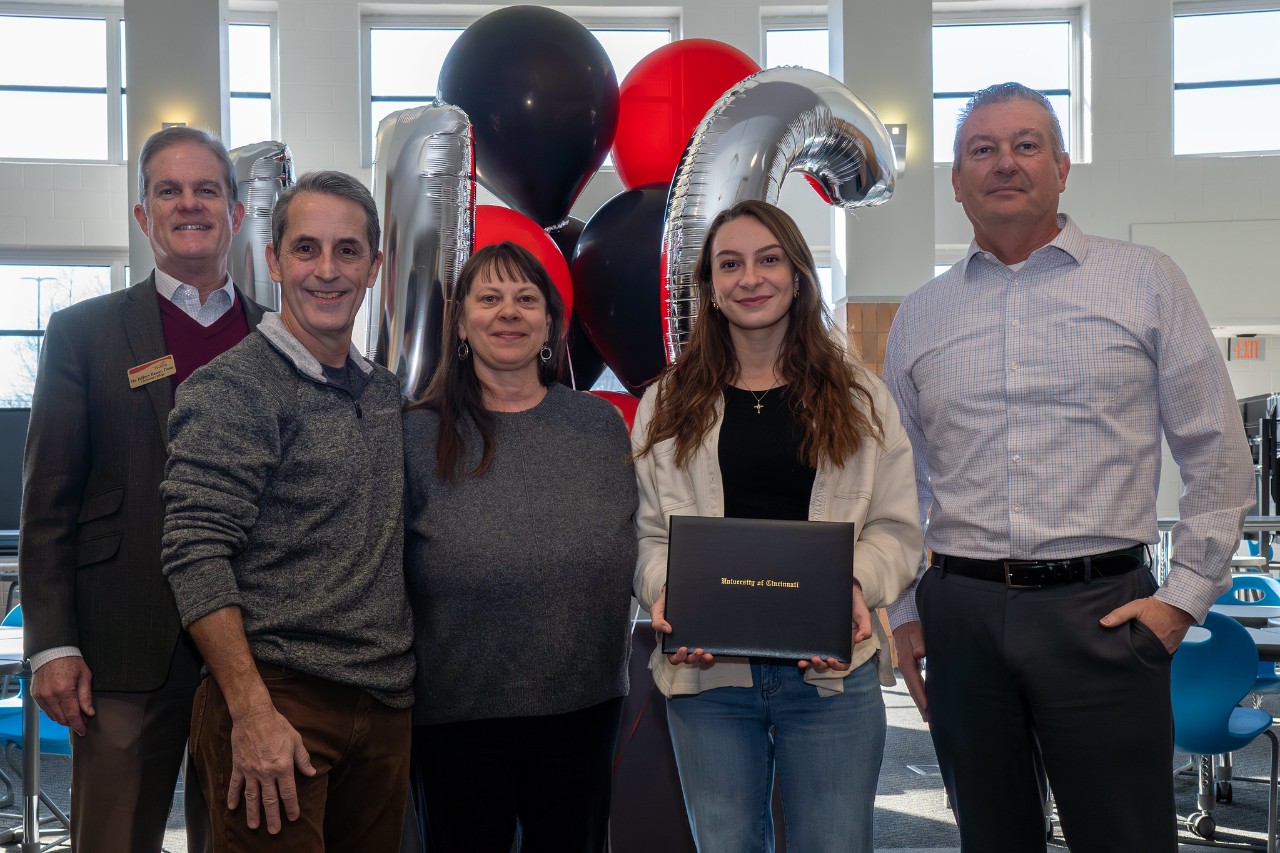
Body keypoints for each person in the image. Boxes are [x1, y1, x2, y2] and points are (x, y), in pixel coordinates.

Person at [883, 82, 1255, 852]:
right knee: (991, 837)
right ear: (956, 182)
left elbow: (1216, 449)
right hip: (961, 617)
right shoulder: (920, 313)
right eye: (982, 149)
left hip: (1104, 614)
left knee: (1125, 837)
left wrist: (1182, 600)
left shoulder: (1146, 280)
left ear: (1061, 167)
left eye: (1026, 145)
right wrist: (904, 609)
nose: (1004, 162)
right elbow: (899, 481)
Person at [631, 199, 920, 852]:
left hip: (831, 672)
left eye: (768, 259)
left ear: (797, 275)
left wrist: (853, 586)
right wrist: (667, 590)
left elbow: (897, 529)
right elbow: (648, 537)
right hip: (708, 678)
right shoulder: (667, 403)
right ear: (709, 286)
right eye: (730, 264)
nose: (750, 278)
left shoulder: (861, 398)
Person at [20, 125, 264, 852]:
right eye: (168, 190)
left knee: (248, 837)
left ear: (235, 212)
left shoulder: (278, 337)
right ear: (142, 214)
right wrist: (51, 643)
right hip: (121, 648)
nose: (189, 204)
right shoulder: (84, 333)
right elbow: (48, 503)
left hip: (256, 650)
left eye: (206, 189)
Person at [161, 170, 415, 850]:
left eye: (347, 251)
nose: (326, 270)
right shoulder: (231, 387)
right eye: (306, 249)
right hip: (277, 701)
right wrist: (250, 710)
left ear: (374, 268)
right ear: (274, 261)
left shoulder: (383, 394)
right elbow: (194, 552)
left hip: (383, 704)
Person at [403, 241, 637, 853]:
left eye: (526, 299)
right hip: (456, 712)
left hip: (584, 705)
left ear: (550, 324)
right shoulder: (416, 433)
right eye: (489, 298)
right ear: (460, 323)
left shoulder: (599, 426)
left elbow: (638, 540)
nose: (509, 312)